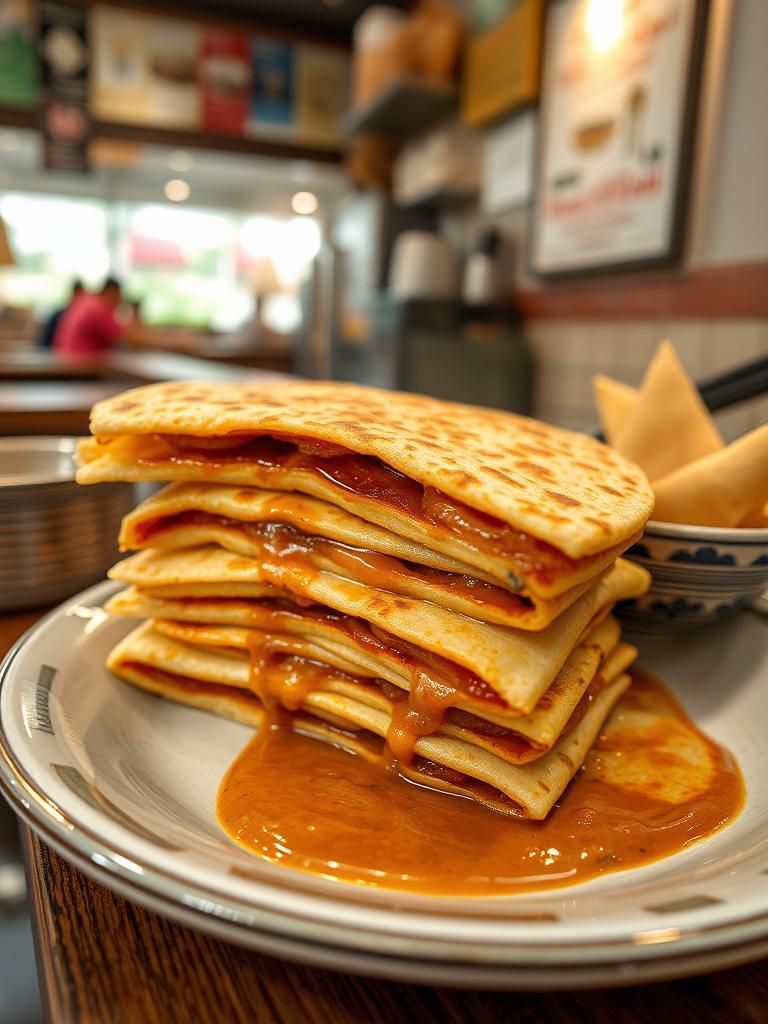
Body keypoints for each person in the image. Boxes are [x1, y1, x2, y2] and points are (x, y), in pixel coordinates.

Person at [54, 276, 131, 357]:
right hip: (79, 363)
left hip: (66, 358)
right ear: (112, 292)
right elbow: (124, 337)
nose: (119, 302)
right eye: (118, 297)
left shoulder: (86, 301)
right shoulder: (98, 308)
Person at [37, 280, 84, 350]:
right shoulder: (59, 315)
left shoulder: (63, 314)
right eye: (78, 295)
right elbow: (45, 342)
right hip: (52, 352)